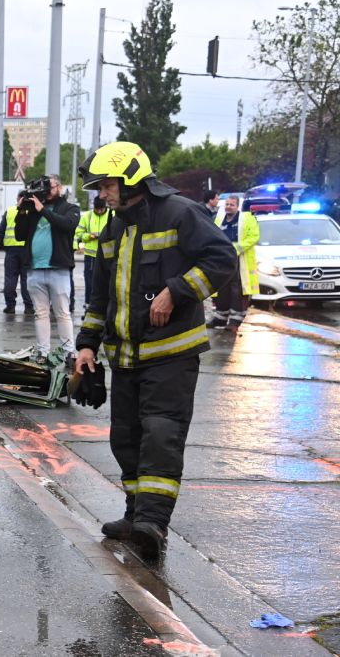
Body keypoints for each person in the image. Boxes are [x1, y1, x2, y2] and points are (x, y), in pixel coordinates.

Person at [74, 141, 237, 557]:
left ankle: (153, 524)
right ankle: (134, 515)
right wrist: (87, 345)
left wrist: (176, 292)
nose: (101, 195)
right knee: (125, 439)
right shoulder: (114, 226)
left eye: (107, 185)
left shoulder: (181, 213)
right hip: (126, 356)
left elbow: (222, 259)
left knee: (161, 435)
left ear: (131, 179)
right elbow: (101, 295)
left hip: (171, 354)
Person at [14, 175, 79, 358]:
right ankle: (43, 352)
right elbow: (19, 235)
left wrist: (43, 210)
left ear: (59, 187)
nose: (46, 191)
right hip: (35, 269)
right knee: (40, 314)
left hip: (58, 269)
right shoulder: (34, 210)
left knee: (62, 313)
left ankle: (69, 353)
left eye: (49, 187)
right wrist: (22, 211)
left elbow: (67, 225)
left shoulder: (69, 208)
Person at [210, 195, 259, 330]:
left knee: (237, 290)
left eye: (231, 204)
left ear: (238, 206)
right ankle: (220, 318)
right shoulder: (219, 220)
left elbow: (253, 237)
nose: (228, 207)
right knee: (221, 288)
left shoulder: (247, 219)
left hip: (239, 259)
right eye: (226, 204)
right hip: (223, 258)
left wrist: (236, 248)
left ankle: (235, 320)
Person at [0, 191, 35, 314]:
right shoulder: (31, 211)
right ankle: (29, 307)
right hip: (26, 249)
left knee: (10, 278)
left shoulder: (9, 211)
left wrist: (4, 246)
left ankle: (10, 306)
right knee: (26, 279)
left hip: (11, 250)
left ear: (18, 199)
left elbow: (1, 231)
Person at [75, 196, 112, 307]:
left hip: (107, 255)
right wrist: (89, 236)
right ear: (94, 207)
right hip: (91, 255)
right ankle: (89, 303)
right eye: (97, 209)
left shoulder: (112, 215)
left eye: (102, 209)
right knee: (90, 281)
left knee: (107, 280)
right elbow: (78, 233)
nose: (100, 211)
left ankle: (106, 304)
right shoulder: (87, 216)